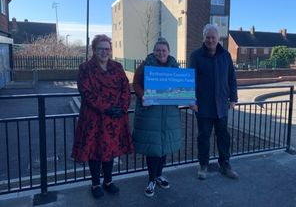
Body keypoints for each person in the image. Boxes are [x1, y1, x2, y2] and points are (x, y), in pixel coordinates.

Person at [71, 34, 133, 199]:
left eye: (107, 49)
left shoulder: (118, 67)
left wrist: (123, 108)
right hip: (94, 118)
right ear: (94, 50)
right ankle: (95, 184)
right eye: (101, 49)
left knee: (110, 151)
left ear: (110, 50)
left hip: (115, 119)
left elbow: (126, 89)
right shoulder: (85, 68)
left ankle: (108, 181)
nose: (104, 52)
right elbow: (86, 92)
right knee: (95, 152)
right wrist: (106, 108)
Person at [132, 37, 181, 197]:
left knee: (164, 147)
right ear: (154, 51)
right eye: (158, 50)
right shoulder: (145, 66)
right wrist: (142, 96)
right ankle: (151, 179)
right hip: (150, 113)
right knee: (153, 149)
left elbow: (181, 88)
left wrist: (187, 98)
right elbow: (136, 83)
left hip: (169, 114)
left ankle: (159, 175)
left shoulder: (175, 67)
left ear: (168, 52)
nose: (161, 53)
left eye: (164, 50)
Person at [188, 24, 238, 180]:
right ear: (203, 38)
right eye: (208, 37)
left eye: (213, 37)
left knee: (223, 136)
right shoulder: (195, 56)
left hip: (222, 105)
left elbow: (231, 77)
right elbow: (190, 81)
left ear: (218, 39)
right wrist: (191, 100)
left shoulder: (226, 55)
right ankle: (203, 165)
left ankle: (225, 164)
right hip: (203, 106)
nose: (210, 40)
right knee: (203, 137)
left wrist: (233, 98)